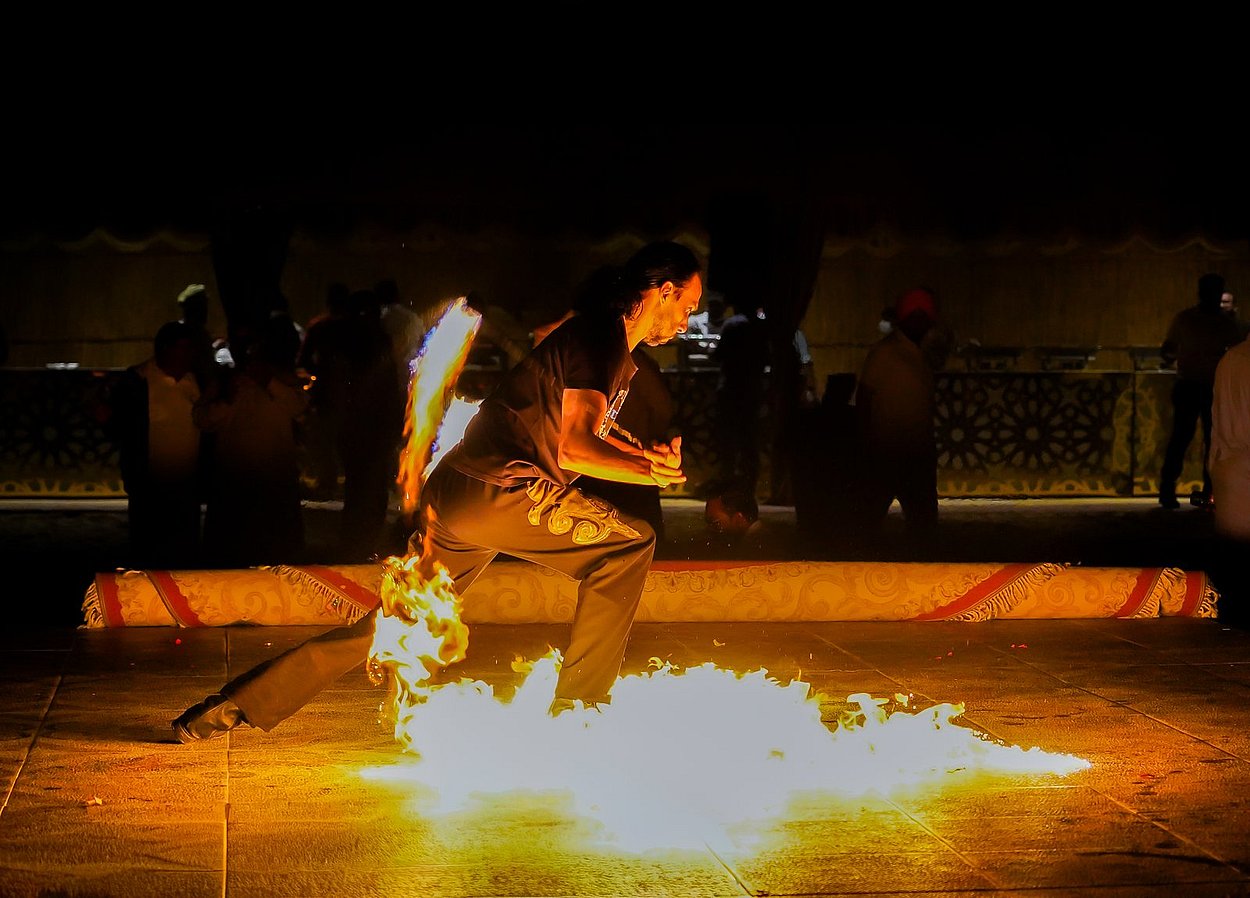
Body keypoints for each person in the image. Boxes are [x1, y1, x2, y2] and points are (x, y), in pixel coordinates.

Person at [171, 239, 702, 742]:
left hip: (457, 493)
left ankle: (235, 705)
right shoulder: (601, 336)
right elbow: (576, 449)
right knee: (629, 546)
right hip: (503, 488)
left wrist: (644, 457)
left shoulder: (599, 340)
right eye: (688, 305)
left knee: (394, 622)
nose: (687, 320)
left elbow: (585, 429)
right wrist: (651, 473)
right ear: (665, 290)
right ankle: (579, 714)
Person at [194, 318, 311, 568]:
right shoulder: (224, 381)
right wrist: (227, 399)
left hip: (274, 480)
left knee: (277, 552)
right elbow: (202, 419)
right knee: (232, 555)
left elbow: (298, 406)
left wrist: (268, 380)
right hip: (233, 481)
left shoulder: (282, 379)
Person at [106, 320, 204, 569]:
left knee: (184, 551)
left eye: (191, 348)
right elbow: (118, 425)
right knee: (149, 550)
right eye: (183, 348)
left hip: (187, 483)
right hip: (149, 483)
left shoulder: (197, 381)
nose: (188, 354)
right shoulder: (138, 381)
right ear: (165, 349)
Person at [851, 286, 941, 541]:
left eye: (924, 319)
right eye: (917, 318)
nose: (921, 324)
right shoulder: (885, 353)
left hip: (912, 452)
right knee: (872, 519)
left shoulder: (915, 353)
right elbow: (865, 399)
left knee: (921, 522)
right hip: (887, 451)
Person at [1158, 273, 1244, 509]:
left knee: (1182, 438)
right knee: (1211, 441)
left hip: (1191, 384)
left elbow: (1167, 348)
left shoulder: (1186, 319)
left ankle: (1168, 489)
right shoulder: (1225, 324)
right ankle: (1209, 492)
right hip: (1209, 387)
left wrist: (1175, 359)